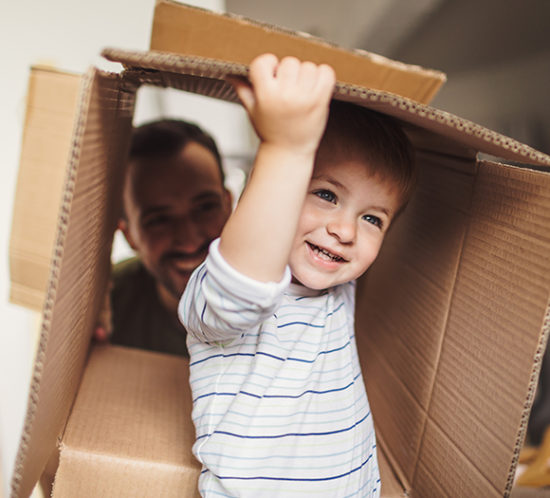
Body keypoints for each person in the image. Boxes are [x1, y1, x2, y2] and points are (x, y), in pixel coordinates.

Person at [179, 54, 416, 496]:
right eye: (326, 194)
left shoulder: (337, 286)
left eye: (372, 219)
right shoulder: (221, 293)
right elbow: (243, 288)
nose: (345, 230)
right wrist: (285, 149)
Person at [108, 119, 232, 357]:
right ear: (129, 235)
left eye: (205, 207)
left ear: (228, 205)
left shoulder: (285, 291)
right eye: (159, 220)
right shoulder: (106, 305)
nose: (188, 240)